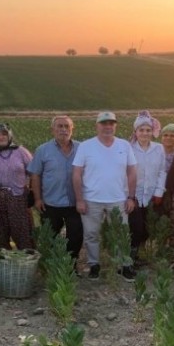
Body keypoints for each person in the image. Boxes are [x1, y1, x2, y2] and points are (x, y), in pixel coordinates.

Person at [72, 111, 137, 282]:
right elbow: (77, 173)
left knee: (121, 233)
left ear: (115, 126)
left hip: (118, 199)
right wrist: (79, 199)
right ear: (97, 126)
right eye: (104, 123)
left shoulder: (124, 145)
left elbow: (132, 172)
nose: (108, 127)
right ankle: (94, 264)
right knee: (92, 234)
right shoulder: (86, 146)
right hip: (91, 199)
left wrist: (131, 197)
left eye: (111, 123)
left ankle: (123, 265)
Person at [28, 115, 83, 268]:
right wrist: (38, 199)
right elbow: (35, 175)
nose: (63, 129)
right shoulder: (42, 150)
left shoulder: (82, 148)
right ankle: (51, 266)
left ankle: (71, 265)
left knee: (76, 236)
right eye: (60, 126)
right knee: (50, 236)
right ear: (53, 129)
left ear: (72, 129)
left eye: (67, 126)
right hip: (50, 202)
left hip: (75, 203)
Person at [0, 123, 34, 250]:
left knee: (23, 231)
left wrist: (32, 191)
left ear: (9, 135)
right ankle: (3, 262)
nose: (1, 137)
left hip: (18, 198)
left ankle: (26, 261)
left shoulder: (21, 151)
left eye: (4, 134)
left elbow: (34, 172)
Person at [128, 111, 166, 264]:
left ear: (152, 132)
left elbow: (162, 171)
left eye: (148, 130)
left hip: (151, 195)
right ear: (135, 132)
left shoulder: (159, 148)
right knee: (135, 228)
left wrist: (159, 192)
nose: (145, 133)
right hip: (134, 196)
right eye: (141, 130)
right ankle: (130, 256)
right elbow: (124, 172)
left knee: (147, 227)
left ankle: (139, 255)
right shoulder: (129, 148)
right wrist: (128, 195)